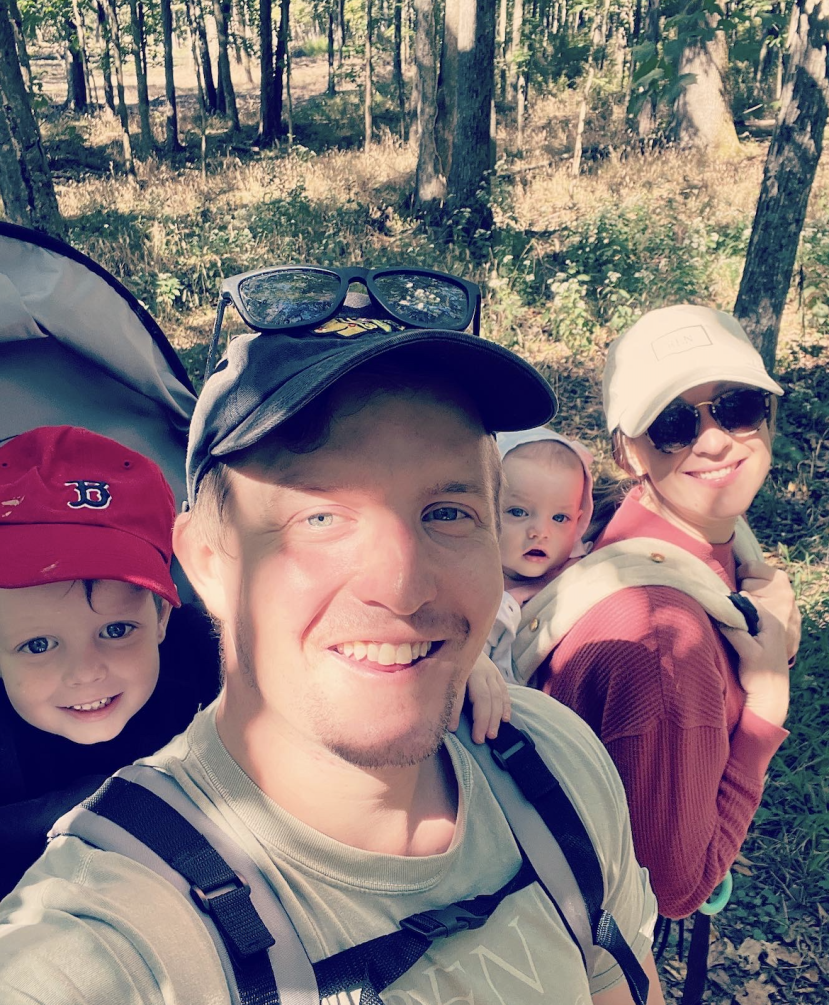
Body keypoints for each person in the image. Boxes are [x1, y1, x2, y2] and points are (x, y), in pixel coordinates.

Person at [0, 275, 663, 1005]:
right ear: (206, 563)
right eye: (317, 518)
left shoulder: (555, 765)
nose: (403, 588)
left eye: (446, 512)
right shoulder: (103, 939)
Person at [530, 304, 798, 920]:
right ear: (629, 455)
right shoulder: (659, 644)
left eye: (737, 407)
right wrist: (765, 707)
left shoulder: (689, 541)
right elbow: (673, 894)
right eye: (674, 424)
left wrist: (773, 633)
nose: (714, 439)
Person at [0, 425, 221, 895]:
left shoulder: (210, 656)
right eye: (38, 645)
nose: (85, 672)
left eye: (116, 630)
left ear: (161, 614)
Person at [486, 426, 594, 683]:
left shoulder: (579, 576)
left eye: (560, 518)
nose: (540, 532)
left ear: (579, 524)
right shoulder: (471, 586)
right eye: (518, 512)